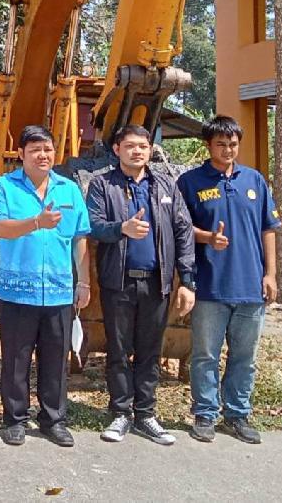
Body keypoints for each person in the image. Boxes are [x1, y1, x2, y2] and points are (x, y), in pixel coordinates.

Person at [86, 125, 196, 445]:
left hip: (156, 283)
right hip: (118, 282)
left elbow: (183, 232)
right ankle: (120, 412)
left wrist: (187, 280)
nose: (137, 151)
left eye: (143, 146)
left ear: (150, 150)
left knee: (150, 350)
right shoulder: (102, 185)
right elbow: (93, 226)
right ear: (117, 149)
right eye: (130, 146)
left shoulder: (165, 186)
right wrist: (122, 228)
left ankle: (146, 414)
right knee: (119, 350)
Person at [0, 125, 90, 448]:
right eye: (35, 150)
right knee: (16, 360)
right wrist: (36, 223)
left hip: (58, 291)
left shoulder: (69, 189)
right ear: (21, 154)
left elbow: (79, 238)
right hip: (16, 292)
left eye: (47, 149)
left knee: (56, 360)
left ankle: (53, 420)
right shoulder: (4, 187)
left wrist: (84, 282)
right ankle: (15, 419)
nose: (43, 155)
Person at [177, 115, 280, 444]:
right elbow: (180, 228)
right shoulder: (190, 182)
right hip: (210, 285)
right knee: (205, 355)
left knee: (244, 357)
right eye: (221, 144)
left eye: (233, 144)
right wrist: (207, 237)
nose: (228, 149)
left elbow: (268, 229)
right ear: (208, 145)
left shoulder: (254, 180)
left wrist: (270, 274)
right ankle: (205, 414)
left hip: (251, 286)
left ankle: (237, 415)